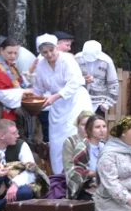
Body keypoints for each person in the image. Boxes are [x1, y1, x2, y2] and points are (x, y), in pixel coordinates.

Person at [32, 33, 94, 175]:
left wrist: (55, 96)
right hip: (58, 106)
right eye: (44, 52)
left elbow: (74, 82)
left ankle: (80, 171)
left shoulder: (67, 60)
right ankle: (60, 175)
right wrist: (35, 100)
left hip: (76, 100)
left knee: (74, 133)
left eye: (51, 50)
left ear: (56, 48)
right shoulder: (41, 66)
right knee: (56, 141)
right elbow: (38, 88)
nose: (49, 55)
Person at [0, 119, 45, 211]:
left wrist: (15, 185)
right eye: (13, 133)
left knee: (25, 192)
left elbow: (31, 171)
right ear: (2, 136)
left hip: (17, 187)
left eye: (17, 132)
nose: (17, 136)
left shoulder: (21, 145)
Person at [0, 38, 35, 134]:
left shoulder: (8, 67)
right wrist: (25, 92)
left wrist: (29, 73)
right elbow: (4, 95)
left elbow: (15, 85)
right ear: (1, 50)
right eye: (10, 53)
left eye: (15, 53)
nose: (13, 56)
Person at [68, 114, 107, 200]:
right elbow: (75, 172)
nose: (102, 130)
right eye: (97, 127)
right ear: (89, 130)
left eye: (104, 126)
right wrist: (93, 174)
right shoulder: (83, 147)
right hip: (85, 189)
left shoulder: (105, 146)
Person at [76, 40, 120, 116]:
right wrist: (81, 80)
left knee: (96, 123)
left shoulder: (106, 61)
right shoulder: (77, 59)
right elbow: (70, 79)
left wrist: (107, 103)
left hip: (99, 104)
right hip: (79, 101)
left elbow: (113, 84)